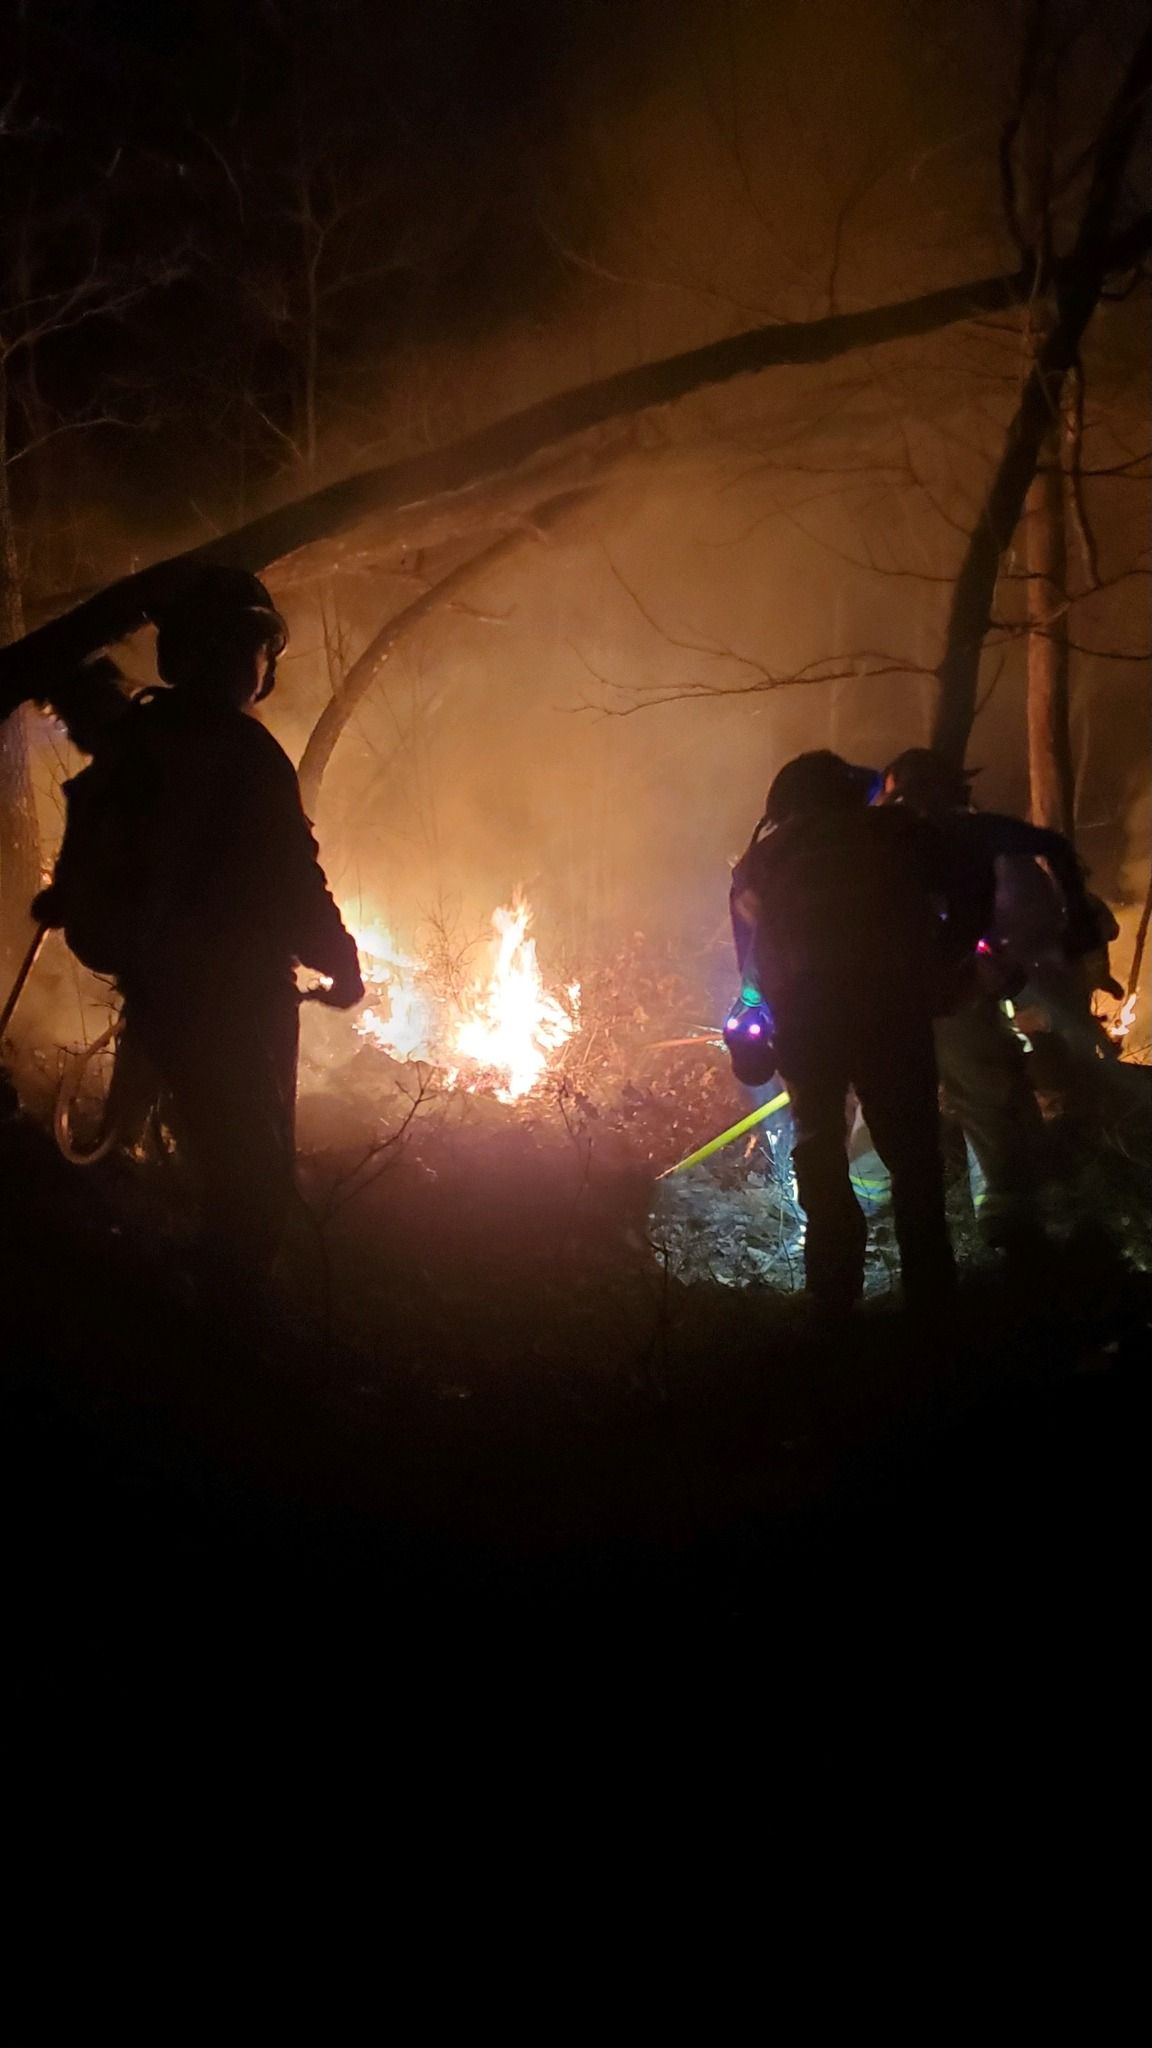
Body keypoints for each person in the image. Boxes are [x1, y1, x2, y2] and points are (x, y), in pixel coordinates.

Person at [35, 566, 363, 1301]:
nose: (261, 667)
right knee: (252, 1167)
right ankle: (223, 1320)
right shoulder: (245, 754)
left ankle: (170, 1277)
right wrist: (340, 960)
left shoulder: (144, 735)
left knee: (186, 1134)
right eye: (256, 650)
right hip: (234, 989)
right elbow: (290, 874)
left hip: (155, 982)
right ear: (242, 659)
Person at [731, 750, 985, 1317]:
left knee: (818, 1141)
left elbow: (751, 963)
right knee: (913, 1154)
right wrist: (951, 955)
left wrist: (752, 1028)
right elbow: (973, 878)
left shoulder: (761, 861)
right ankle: (932, 1300)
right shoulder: (900, 833)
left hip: (806, 1018)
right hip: (891, 1009)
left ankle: (832, 1297)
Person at [879, 748, 1110, 1245]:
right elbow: (1051, 848)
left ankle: (1012, 1205)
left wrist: (1069, 928)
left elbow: (1043, 859)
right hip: (943, 980)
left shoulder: (949, 835)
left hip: (969, 980)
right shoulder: (918, 837)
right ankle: (1008, 1197)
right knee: (976, 1079)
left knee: (985, 1076)